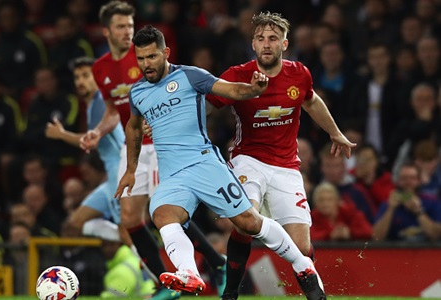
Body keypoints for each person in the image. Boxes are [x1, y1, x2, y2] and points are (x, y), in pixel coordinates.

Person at [115, 24, 325, 300]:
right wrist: (131, 169)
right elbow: (132, 127)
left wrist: (252, 90)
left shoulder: (190, 76)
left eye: (152, 57)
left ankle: (302, 265)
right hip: (173, 175)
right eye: (141, 59)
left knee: (249, 223)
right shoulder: (138, 92)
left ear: (165, 53)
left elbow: (231, 91)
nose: (146, 65)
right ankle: (188, 273)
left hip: (204, 165)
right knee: (163, 216)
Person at [196, 11, 355, 300]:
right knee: (245, 222)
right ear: (253, 44)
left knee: (302, 246)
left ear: (284, 44)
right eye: (260, 38)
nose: (266, 44)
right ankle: (230, 293)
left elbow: (311, 101)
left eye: (273, 38)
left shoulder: (299, 74)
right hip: (248, 159)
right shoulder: (237, 76)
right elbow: (206, 107)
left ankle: (313, 287)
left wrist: (335, 132)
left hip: (286, 166)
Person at [79, 2, 227, 298]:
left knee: (165, 211)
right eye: (121, 27)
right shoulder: (101, 68)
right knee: (129, 221)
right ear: (107, 30)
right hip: (132, 146)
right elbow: (114, 111)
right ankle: (167, 282)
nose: (127, 32)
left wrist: (158, 123)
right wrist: (98, 130)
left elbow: (171, 95)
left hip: (161, 145)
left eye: (130, 26)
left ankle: (213, 263)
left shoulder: (145, 60)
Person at [45, 56, 125, 242]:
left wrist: (62, 134)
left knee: (127, 232)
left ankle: (148, 270)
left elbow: (91, 140)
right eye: (77, 77)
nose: (80, 81)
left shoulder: (100, 102)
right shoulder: (91, 104)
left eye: (85, 76)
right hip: (111, 176)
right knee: (76, 223)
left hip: (120, 174)